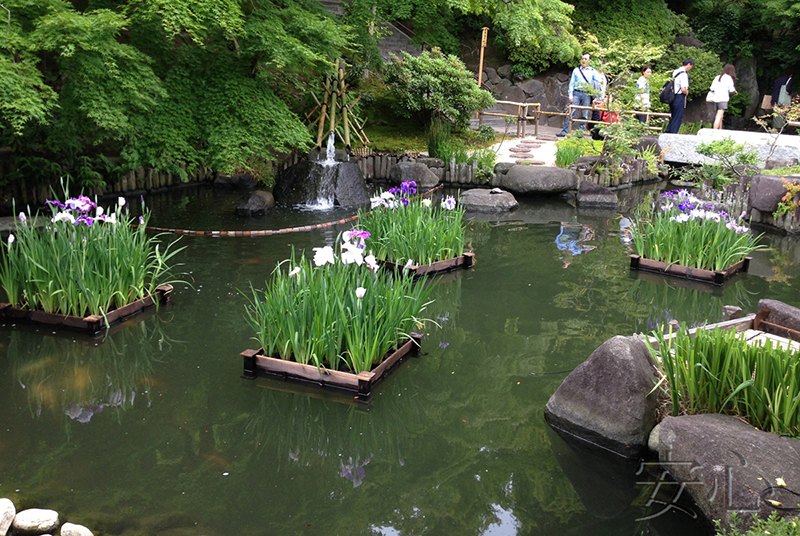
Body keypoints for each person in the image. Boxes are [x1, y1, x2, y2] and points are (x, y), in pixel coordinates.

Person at [558, 52, 602, 136]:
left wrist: (596, 95)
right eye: (582, 58)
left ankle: (580, 133)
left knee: (584, 114)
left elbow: (599, 82)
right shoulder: (576, 70)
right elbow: (572, 83)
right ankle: (565, 131)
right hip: (577, 93)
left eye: (586, 59)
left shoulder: (593, 71)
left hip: (587, 94)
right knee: (572, 112)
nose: (583, 60)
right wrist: (570, 95)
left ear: (589, 61)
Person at [665, 58, 694, 134]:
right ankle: (673, 133)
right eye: (691, 66)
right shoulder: (683, 74)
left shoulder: (675, 71)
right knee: (677, 116)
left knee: (673, 115)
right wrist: (687, 92)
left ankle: (667, 131)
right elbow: (683, 89)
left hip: (672, 96)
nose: (690, 68)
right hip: (679, 96)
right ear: (688, 65)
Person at [710, 64, 738, 129]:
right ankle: (714, 132)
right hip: (723, 99)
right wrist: (735, 92)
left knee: (720, 116)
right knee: (719, 116)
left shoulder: (717, 77)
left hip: (716, 98)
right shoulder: (728, 78)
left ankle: (720, 130)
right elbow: (731, 89)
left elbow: (712, 88)